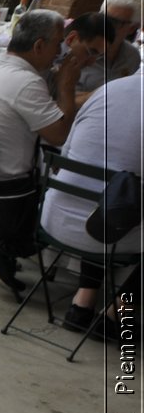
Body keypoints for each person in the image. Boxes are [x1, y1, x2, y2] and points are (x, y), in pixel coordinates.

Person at [0, 10, 92, 297]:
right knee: (69, 198)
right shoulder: (25, 82)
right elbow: (59, 134)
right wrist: (67, 83)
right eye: (58, 44)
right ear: (39, 46)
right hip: (3, 192)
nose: (60, 51)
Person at [39, 73, 143, 333]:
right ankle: (117, 311)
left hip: (55, 216)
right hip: (105, 231)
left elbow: (66, 151)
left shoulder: (109, 89)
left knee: (106, 196)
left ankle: (82, 303)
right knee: (115, 203)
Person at [77, 0, 142, 100]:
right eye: (102, 17)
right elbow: (57, 102)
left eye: (114, 22)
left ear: (132, 28)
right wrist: (111, 92)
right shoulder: (77, 49)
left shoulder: (132, 56)